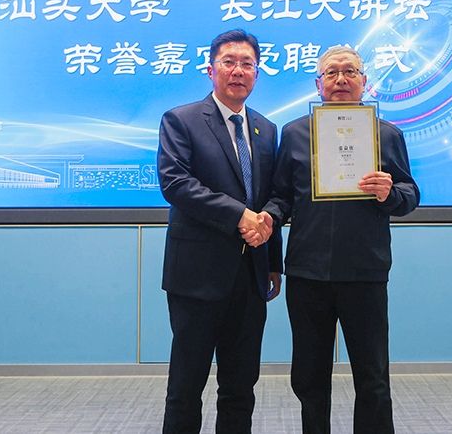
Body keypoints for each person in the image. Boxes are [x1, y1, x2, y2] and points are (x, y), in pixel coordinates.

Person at [263, 46, 419, 434]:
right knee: (309, 378)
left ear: (364, 82)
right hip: (307, 273)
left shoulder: (387, 134)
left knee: (373, 377)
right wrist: (267, 219)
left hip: (365, 272)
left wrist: (390, 193)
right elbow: (281, 196)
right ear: (318, 84)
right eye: (331, 73)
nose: (341, 80)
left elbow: (410, 194)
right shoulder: (295, 133)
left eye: (350, 72)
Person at [157, 29, 282, 434]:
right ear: (211, 70)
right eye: (229, 62)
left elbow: (270, 197)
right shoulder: (181, 120)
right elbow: (176, 183)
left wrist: (273, 261)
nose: (238, 71)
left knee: (240, 387)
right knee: (186, 386)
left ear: (257, 73)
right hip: (197, 276)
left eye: (247, 64)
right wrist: (238, 215)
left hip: (250, 277)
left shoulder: (266, 129)